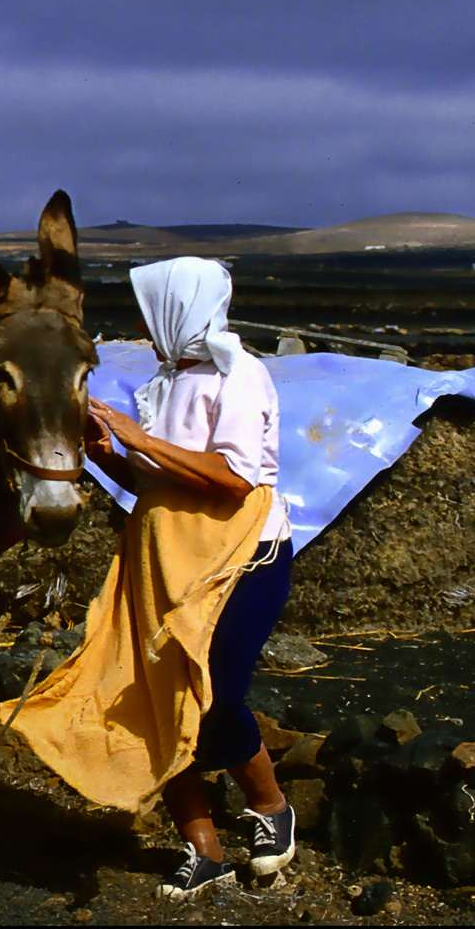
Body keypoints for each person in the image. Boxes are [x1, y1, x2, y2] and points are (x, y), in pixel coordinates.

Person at [80, 257, 296, 900]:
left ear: (182, 309)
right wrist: (107, 457)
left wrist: (135, 435)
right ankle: (203, 847)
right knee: (155, 697)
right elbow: (157, 487)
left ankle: (271, 807)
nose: (148, 327)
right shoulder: (167, 381)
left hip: (241, 555)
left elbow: (231, 478)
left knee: (218, 693)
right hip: (168, 559)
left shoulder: (241, 375)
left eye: (155, 312)